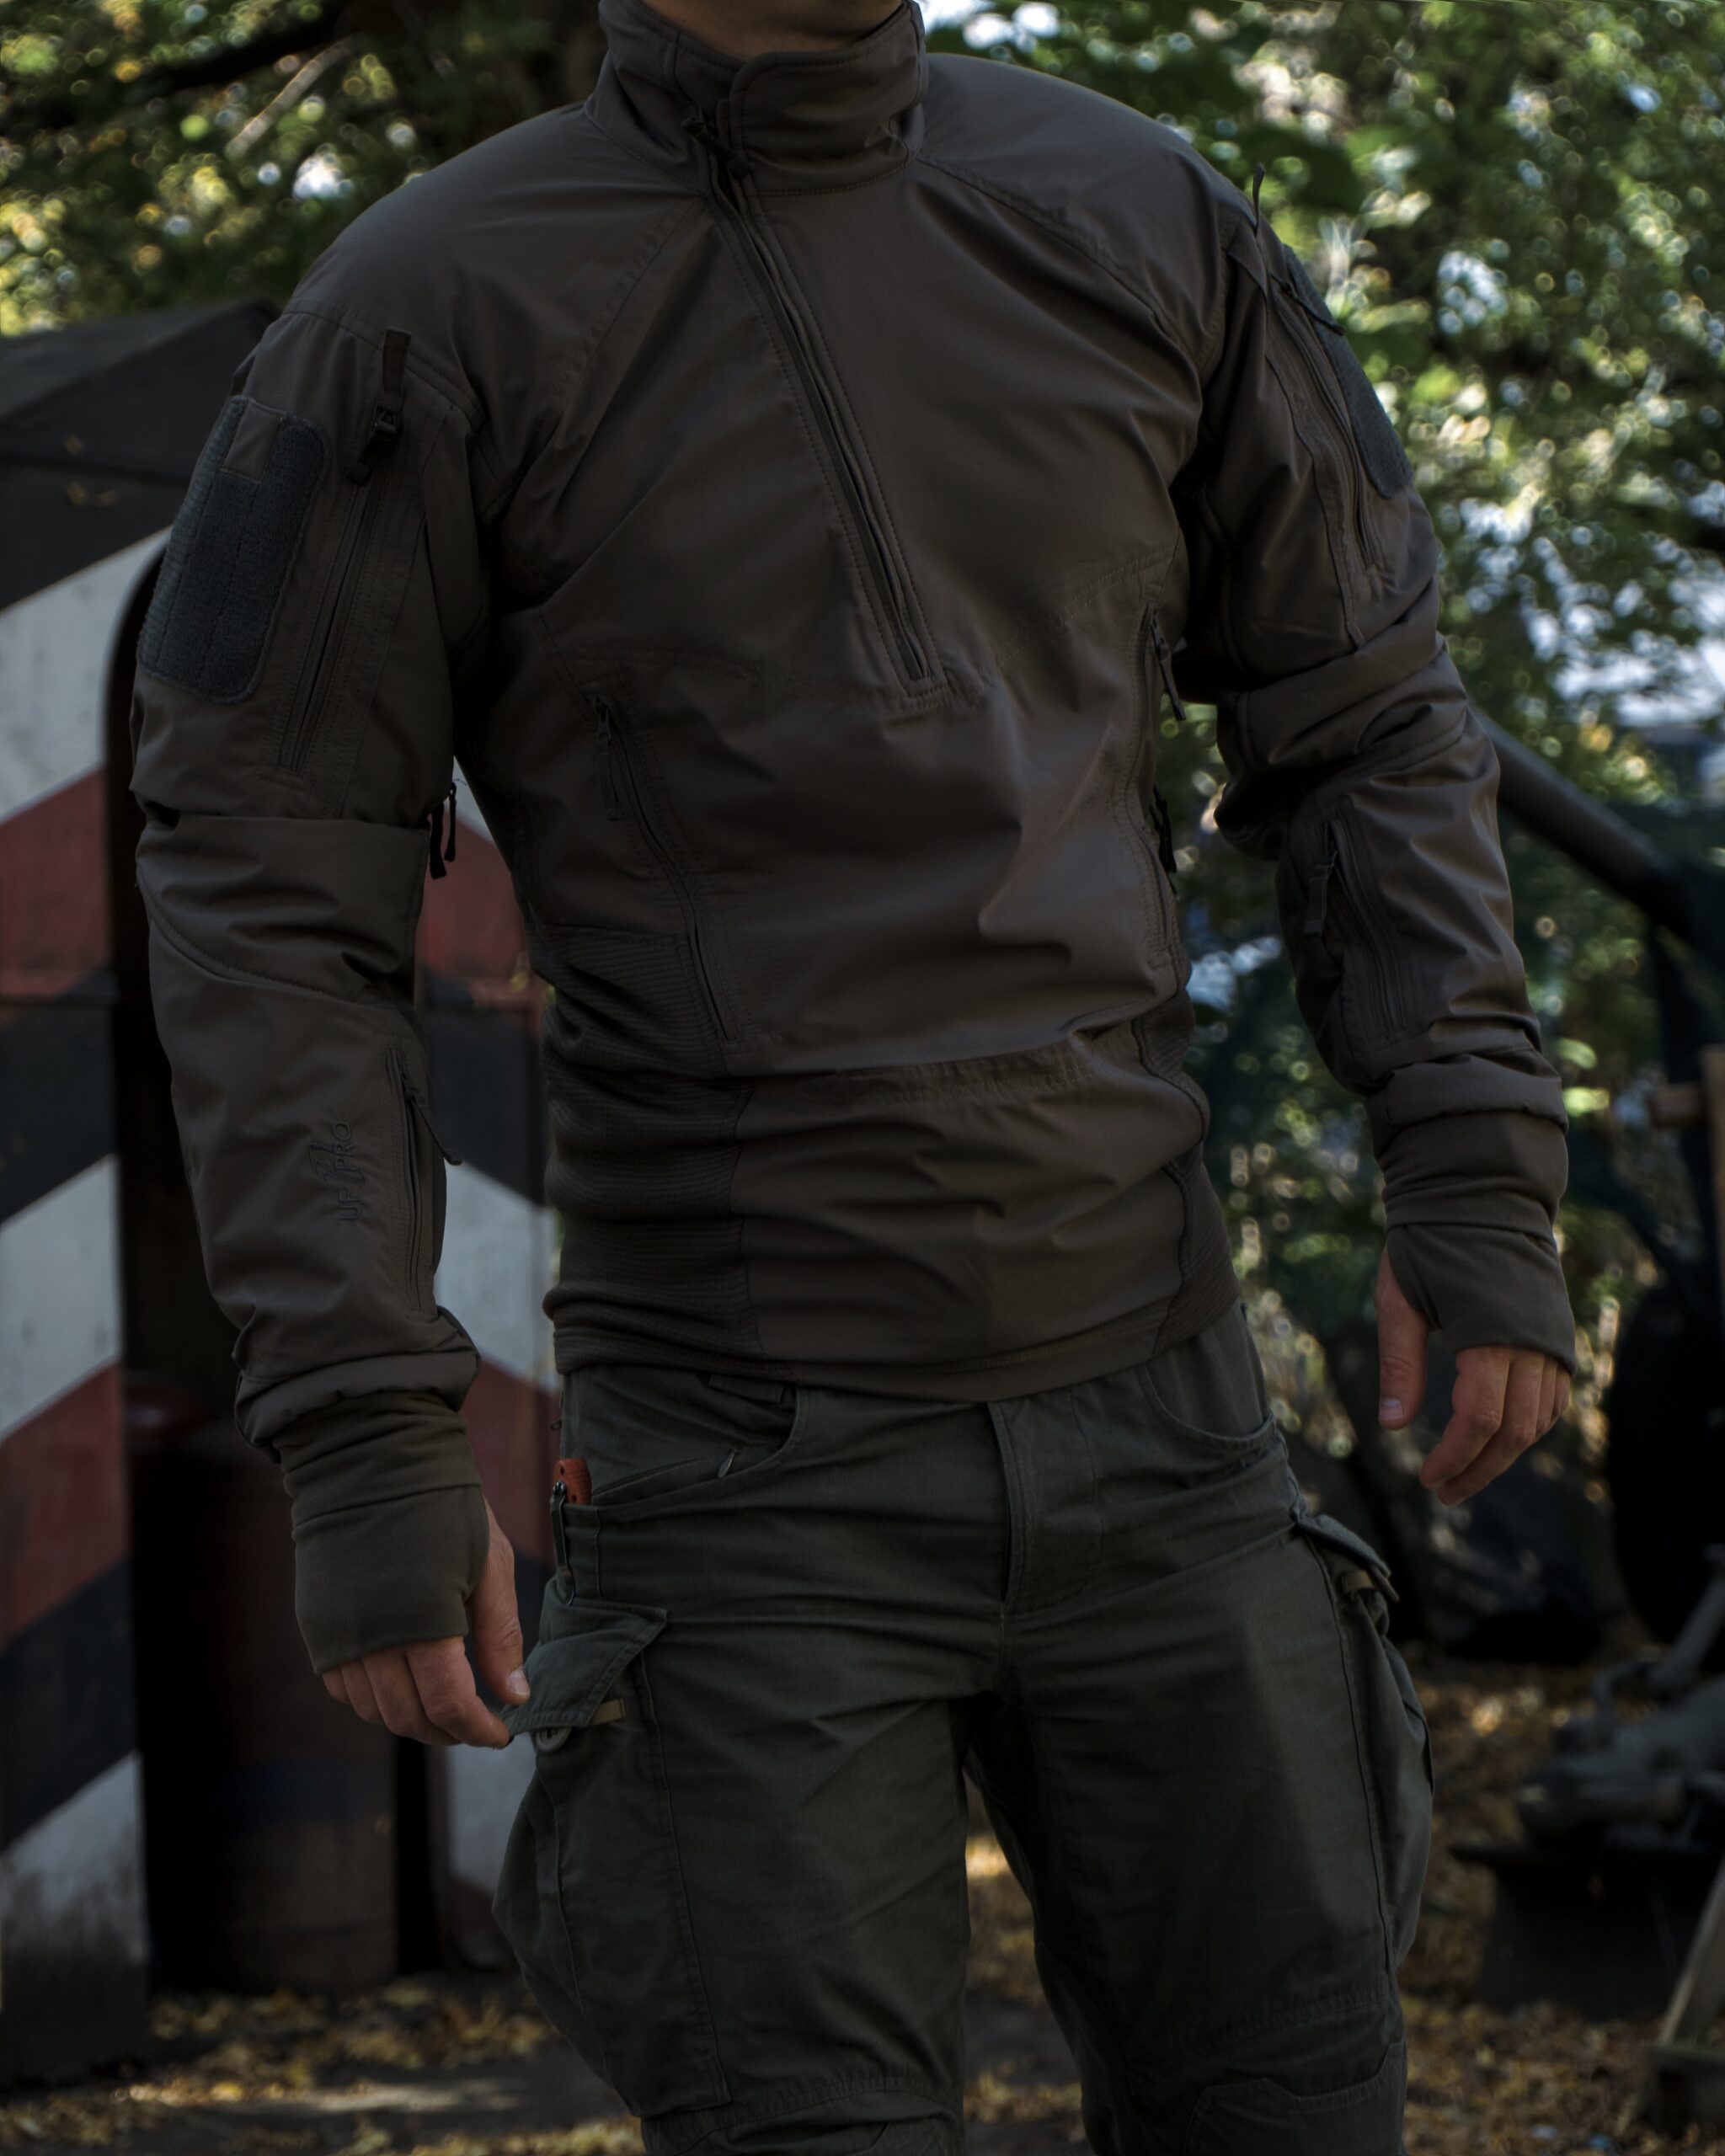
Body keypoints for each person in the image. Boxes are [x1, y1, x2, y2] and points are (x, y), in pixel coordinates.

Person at [131, 0, 1574, 2147]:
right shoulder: (420, 311)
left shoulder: (1138, 211)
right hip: (742, 1482)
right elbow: (265, 881)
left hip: (1167, 1428)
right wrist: (358, 1417)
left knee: (1294, 2105)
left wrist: (1469, 1159)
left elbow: (1367, 714)